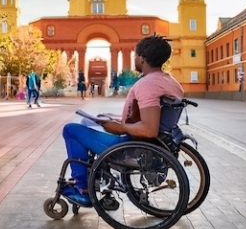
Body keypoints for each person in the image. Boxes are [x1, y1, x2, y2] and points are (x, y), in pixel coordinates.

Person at [61, 35, 184, 206]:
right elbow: (149, 115)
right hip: (152, 143)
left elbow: (149, 129)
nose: (134, 58)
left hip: (131, 147)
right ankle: (94, 177)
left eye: (135, 55)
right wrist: (114, 118)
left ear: (142, 58)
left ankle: (83, 190)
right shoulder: (170, 81)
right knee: (86, 123)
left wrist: (120, 127)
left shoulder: (147, 84)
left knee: (70, 130)